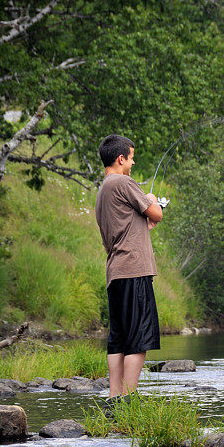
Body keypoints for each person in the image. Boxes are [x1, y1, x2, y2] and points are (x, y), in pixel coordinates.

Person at [95, 134, 163, 411]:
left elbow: (131, 227)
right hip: (134, 270)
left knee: (119, 337)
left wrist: (145, 224)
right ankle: (129, 401)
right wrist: (152, 200)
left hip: (116, 272)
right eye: (132, 158)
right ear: (120, 158)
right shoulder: (124, 182)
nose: (133, 163)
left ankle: (114, 399)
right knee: (139, 337)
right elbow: (155, 213)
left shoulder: (103, 190)